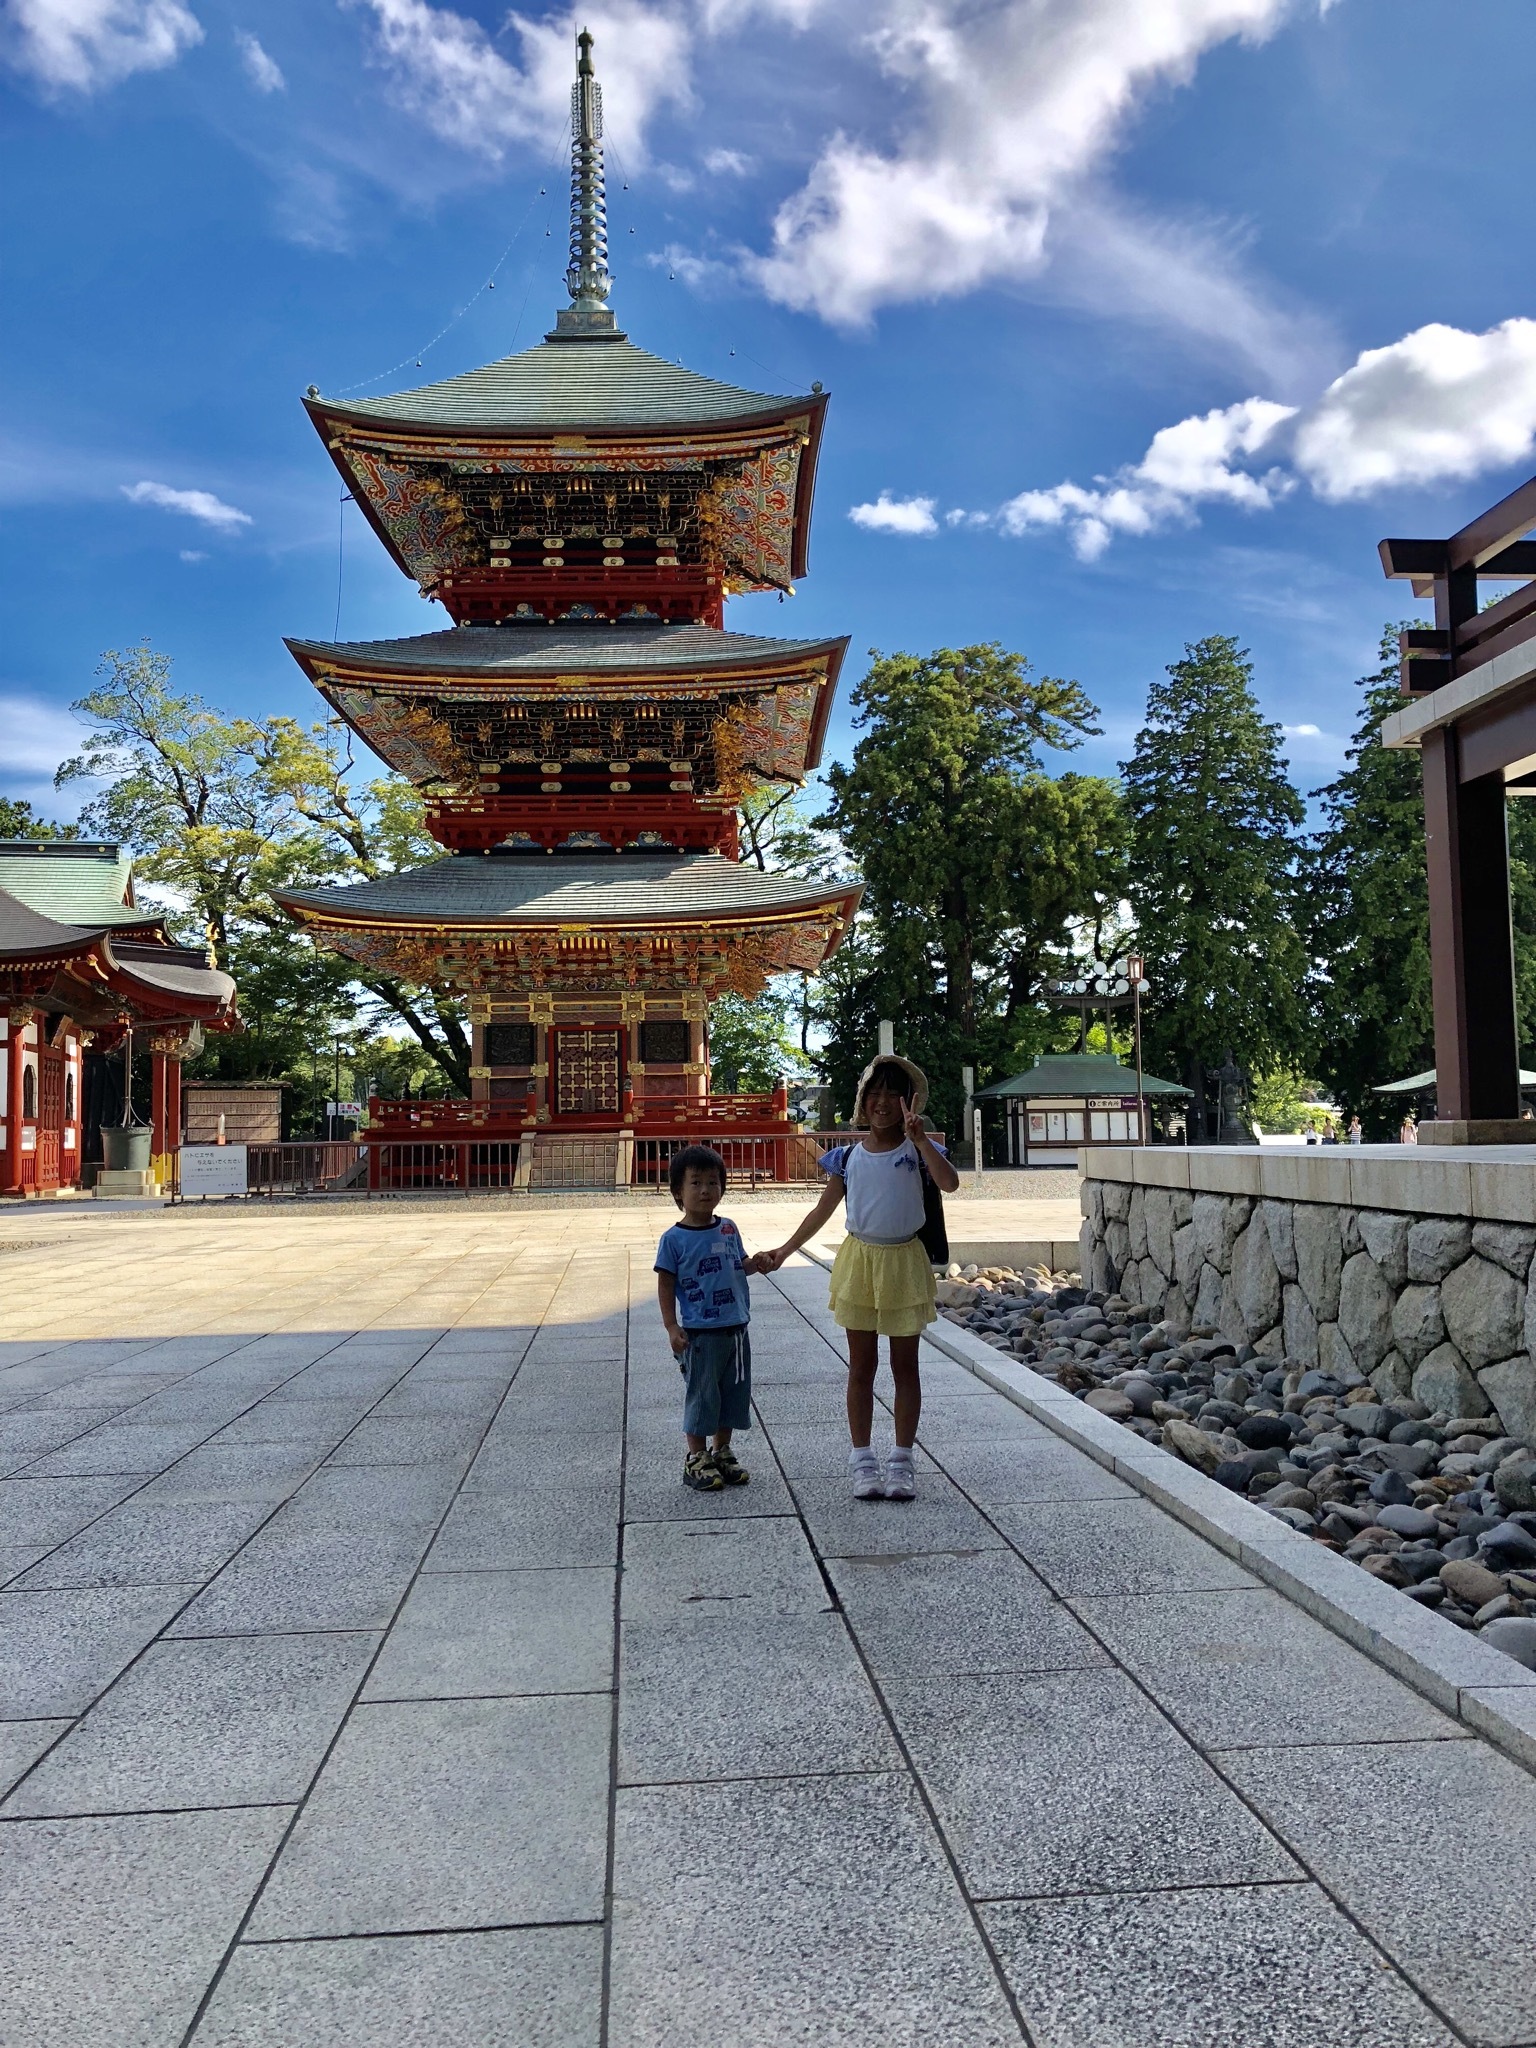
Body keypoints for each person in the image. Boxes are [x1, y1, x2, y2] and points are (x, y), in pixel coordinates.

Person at [758, 1055, 959, 1502]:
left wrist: (922, 1141)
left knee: (905, 1366)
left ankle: (902, 1459)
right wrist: (783, 1251)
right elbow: (822, 1212)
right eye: (876, 1093)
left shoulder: (919, 1151)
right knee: (861, 1367)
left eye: (894, 1094)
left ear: (910, 1102)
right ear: (863, 1099)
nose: (883, 1102)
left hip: (904, 1259)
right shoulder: (848, 1157)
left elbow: (950, 1184)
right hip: (859, 1261)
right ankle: (863, 1459)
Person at [655, 1144, 757, 1493]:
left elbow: (738, 1265)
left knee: (732, 1392)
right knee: (702, 1394)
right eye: (695, 1183)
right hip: (700, 1331)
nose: (705, 1191)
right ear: (678, 1192)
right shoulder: (673, 1239)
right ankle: (696, 1455)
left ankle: (721, 1449)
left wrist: (755, 1264)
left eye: (713, 1182)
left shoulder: (728, 1227)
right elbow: (666, 1284)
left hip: (736, 1326)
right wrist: (672, 1325)